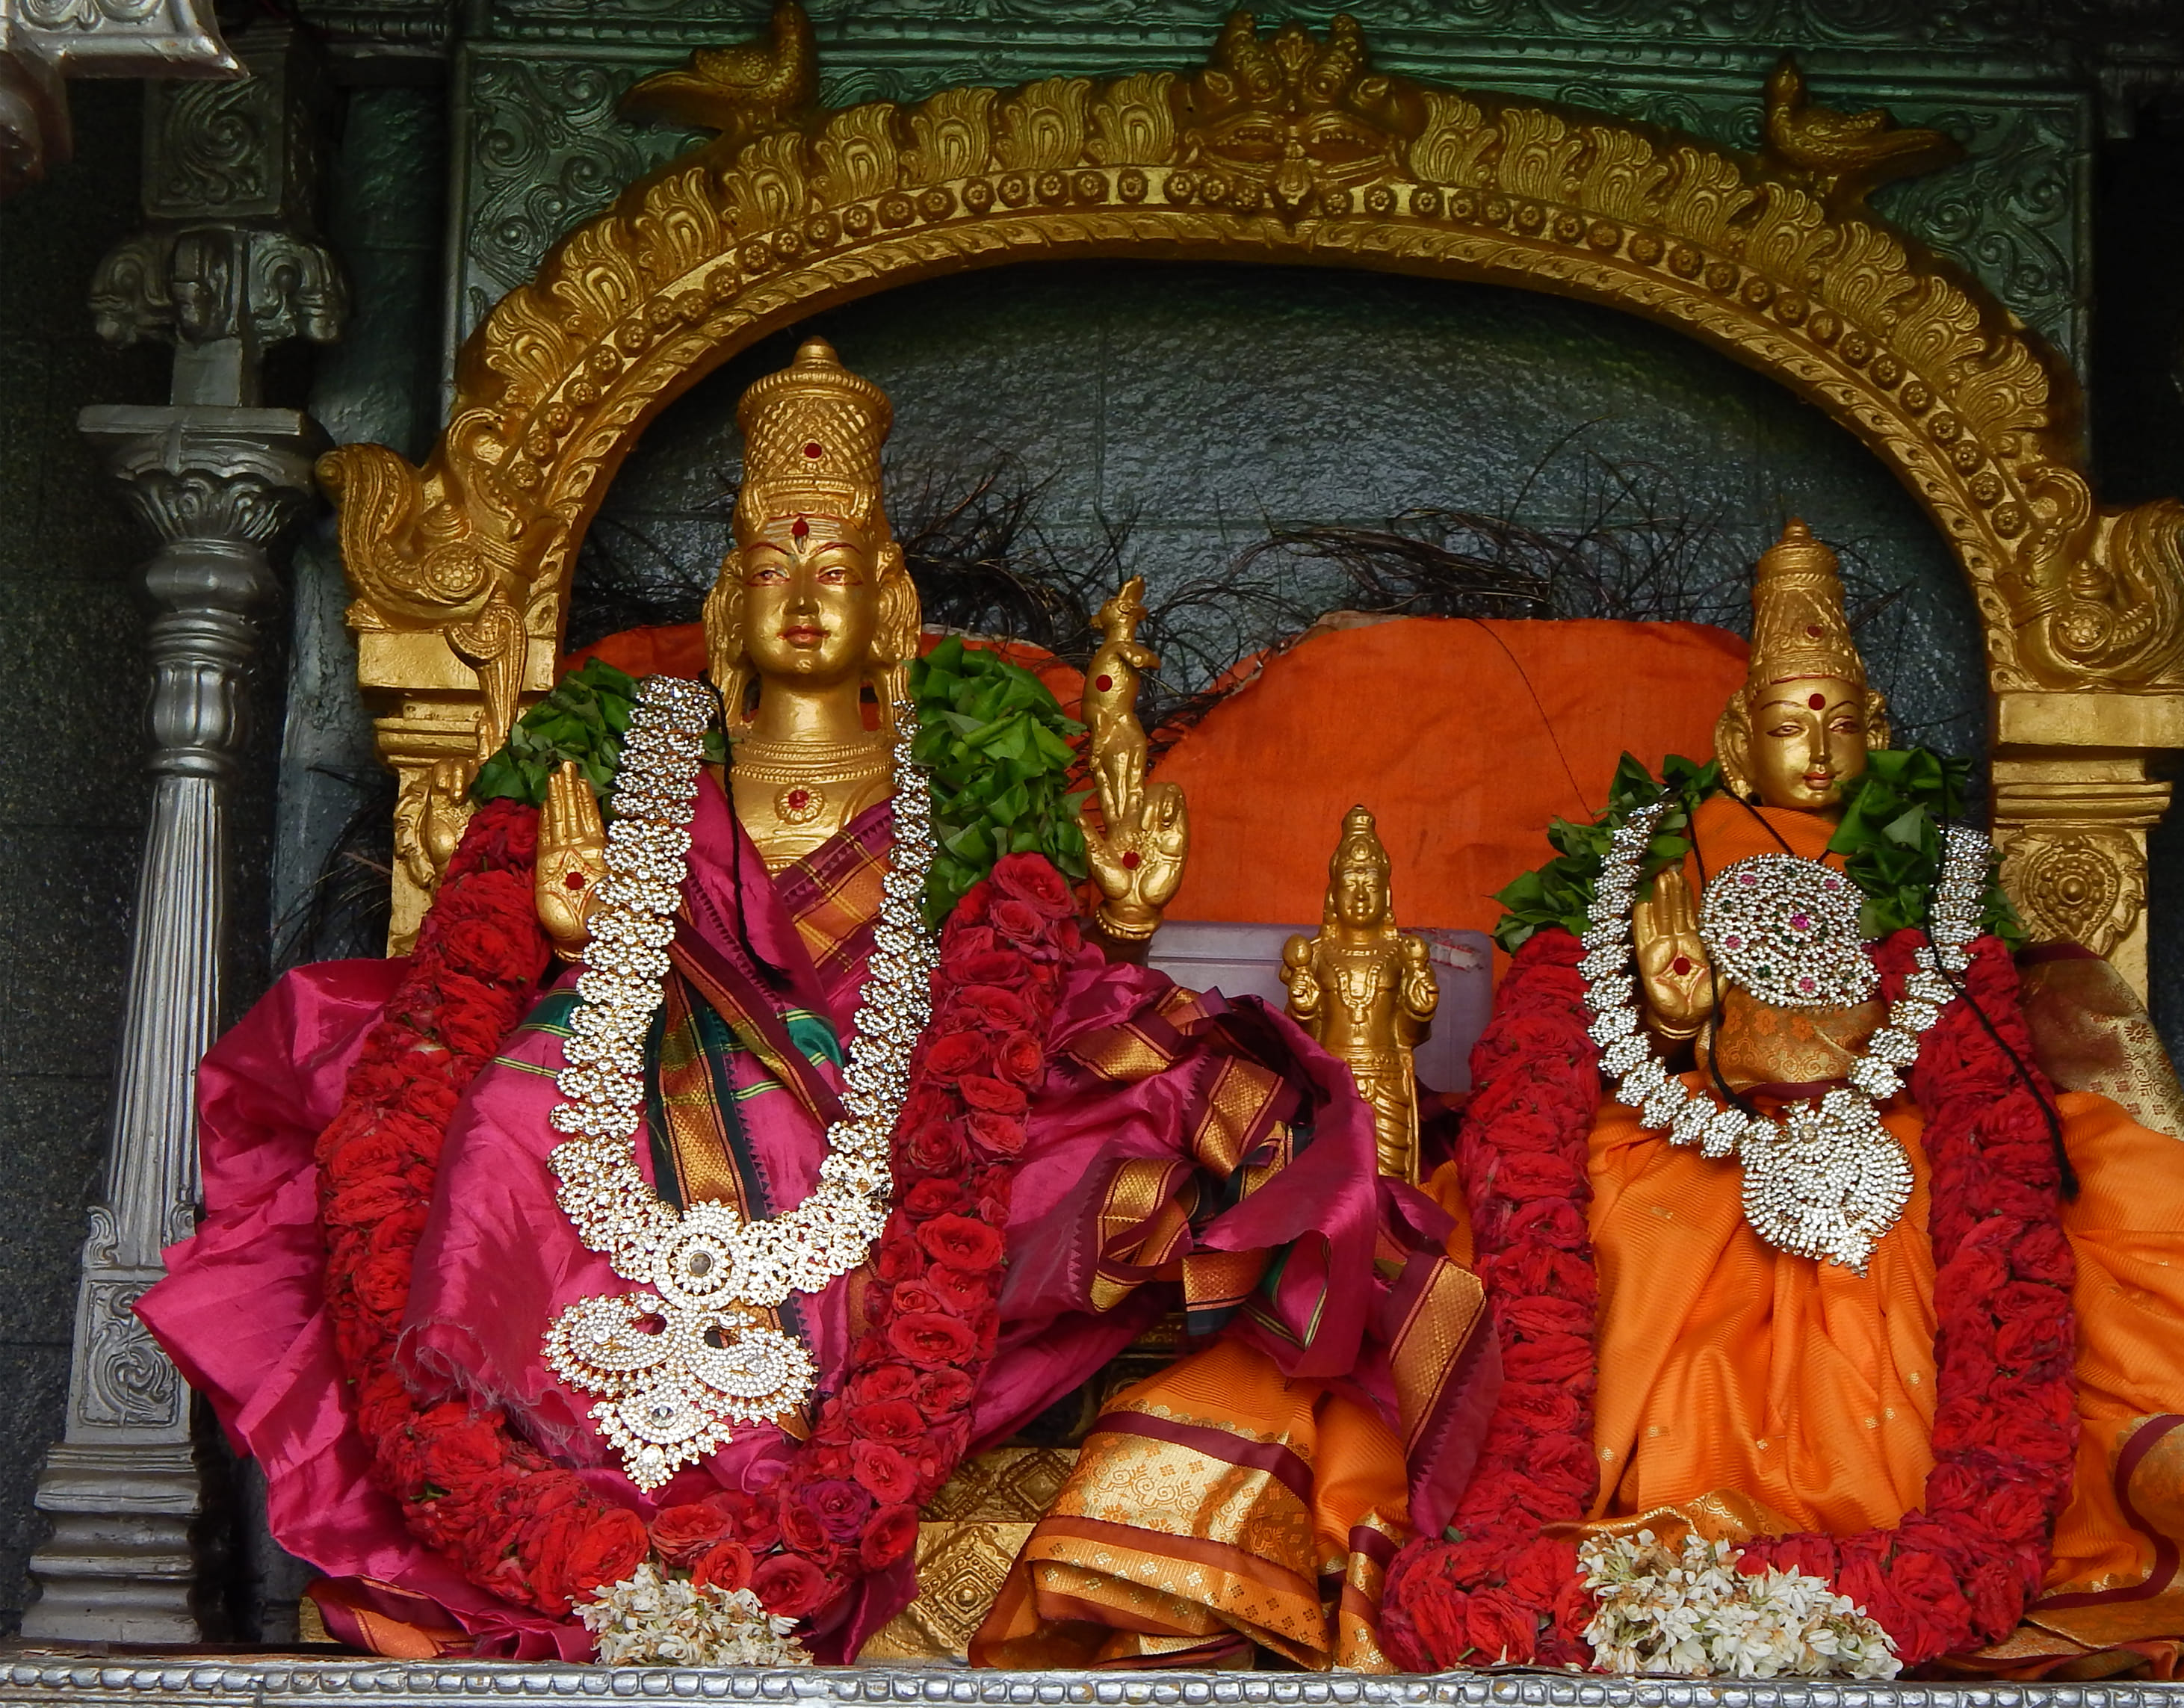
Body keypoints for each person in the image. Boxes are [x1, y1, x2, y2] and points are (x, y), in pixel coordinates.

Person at [140, 339, 1488, 1663]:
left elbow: (1015, 970)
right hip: (649, 1036)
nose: (800, 596)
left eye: (831, 569)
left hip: (902, 1083)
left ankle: (815, 1474)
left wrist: (1117, 906)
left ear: (887, 607)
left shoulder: (964, 760)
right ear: (729, 603)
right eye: (769, 565)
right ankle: (516, 1450)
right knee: (497, 1112)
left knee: (1127, 1146)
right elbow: (593, 960)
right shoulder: (650, 743)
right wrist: (576, 922)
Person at [1382, 520, 2184, 1683]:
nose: (1816, 744)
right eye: (1790, 722)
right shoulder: (1663, 854)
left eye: (1842, 720)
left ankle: (2006, 1542)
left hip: (1913, 1132)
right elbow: (1587, 1030)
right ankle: (1700, 1560)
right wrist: (1674, 1016)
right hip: (1689, 1136)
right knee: (1618, 1250)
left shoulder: (1921, 866)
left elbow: (1984, 1041)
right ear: (1736, 741)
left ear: (1879, 734)